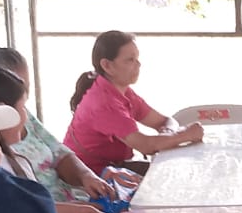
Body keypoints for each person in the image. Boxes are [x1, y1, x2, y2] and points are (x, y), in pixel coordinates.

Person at [0, 40, 140, 203]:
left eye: (25, 89)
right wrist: (75, 212)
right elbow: (22, 208)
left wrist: (87, 176)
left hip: (71, 202)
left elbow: (59, 152)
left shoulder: (21, 113)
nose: (25, 103)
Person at [0, 65, 115, 213]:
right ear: (3, 113)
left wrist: (75, 210)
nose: (26, 118)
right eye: (22, 108)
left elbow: (29, 209)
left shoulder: (8, 157)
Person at [63, 30, 202, 175]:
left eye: (137, 58)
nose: (138, 64)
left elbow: (165, 121)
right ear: (107, 65)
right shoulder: (104, 103)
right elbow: (146, 146)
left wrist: (169, 133)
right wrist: (186, 135)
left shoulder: (122, 91)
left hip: (112, 168)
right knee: (175, 175)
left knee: (180, 169)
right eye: (130, 60)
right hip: (89, 176)